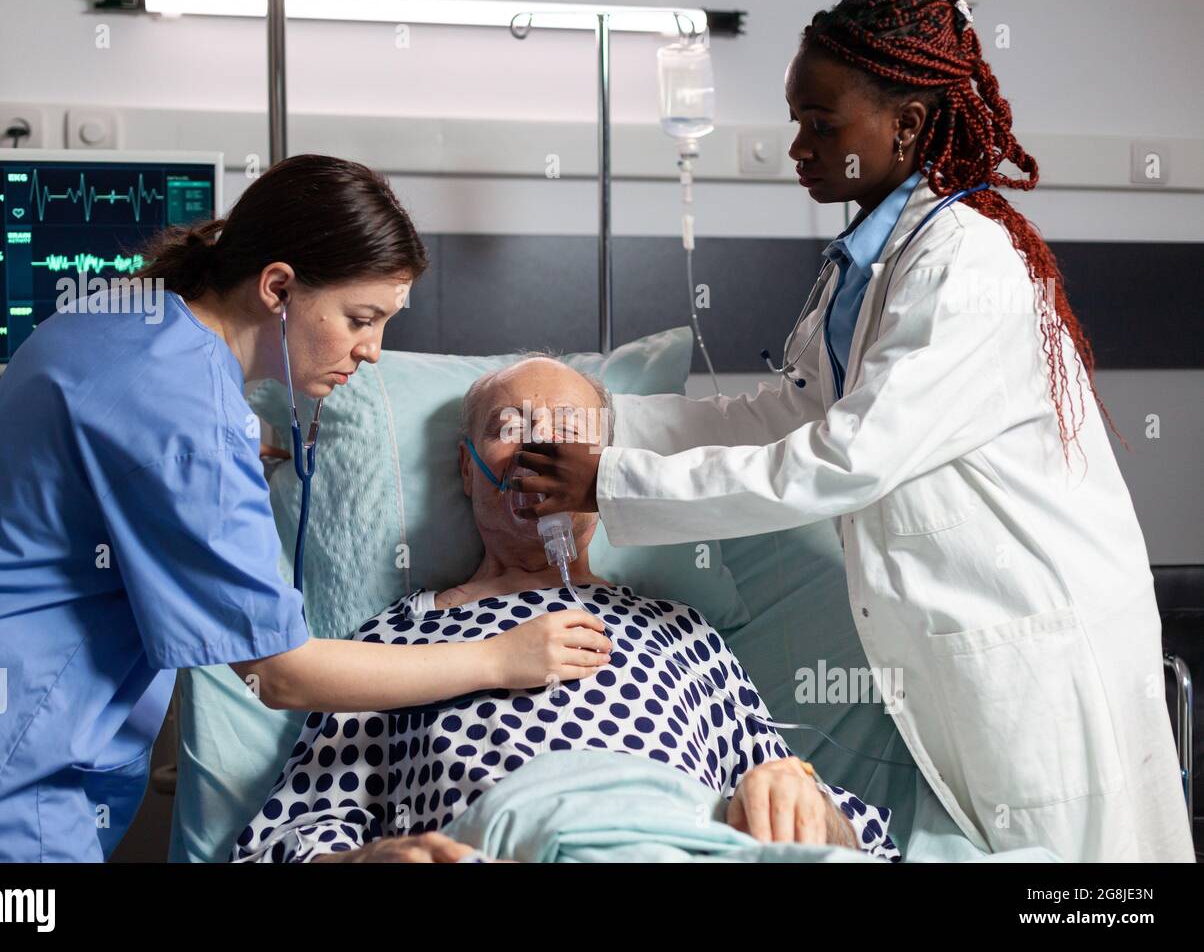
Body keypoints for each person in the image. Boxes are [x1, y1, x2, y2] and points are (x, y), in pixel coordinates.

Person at [508, 0, 1194, 861]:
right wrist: (606, 420)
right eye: (796, 120)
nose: (797, 147)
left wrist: (608, 483)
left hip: (1041, 642)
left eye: (820, 124)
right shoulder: (866, 267)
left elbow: (844, 459)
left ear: (906, 125)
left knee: (1085, 894)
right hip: (972, 651)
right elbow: (781, 415)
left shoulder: (966, 265)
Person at [0, 155, 603, 862]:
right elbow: (279, 673)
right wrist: (498, 658)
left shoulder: (119, 326)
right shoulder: (191, 422)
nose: (373, 352)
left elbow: (130, 455)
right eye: (361, 318)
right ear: (278, 288)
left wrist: (221, 461)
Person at [232, 357, 899, 863]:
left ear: (606, 470)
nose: (537, 447)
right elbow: (294, 830)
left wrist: (799, 793)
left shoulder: (681, 632)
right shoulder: (393, 641)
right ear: (468, 472)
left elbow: (833, 829)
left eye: (569, 431)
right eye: (509, 427)